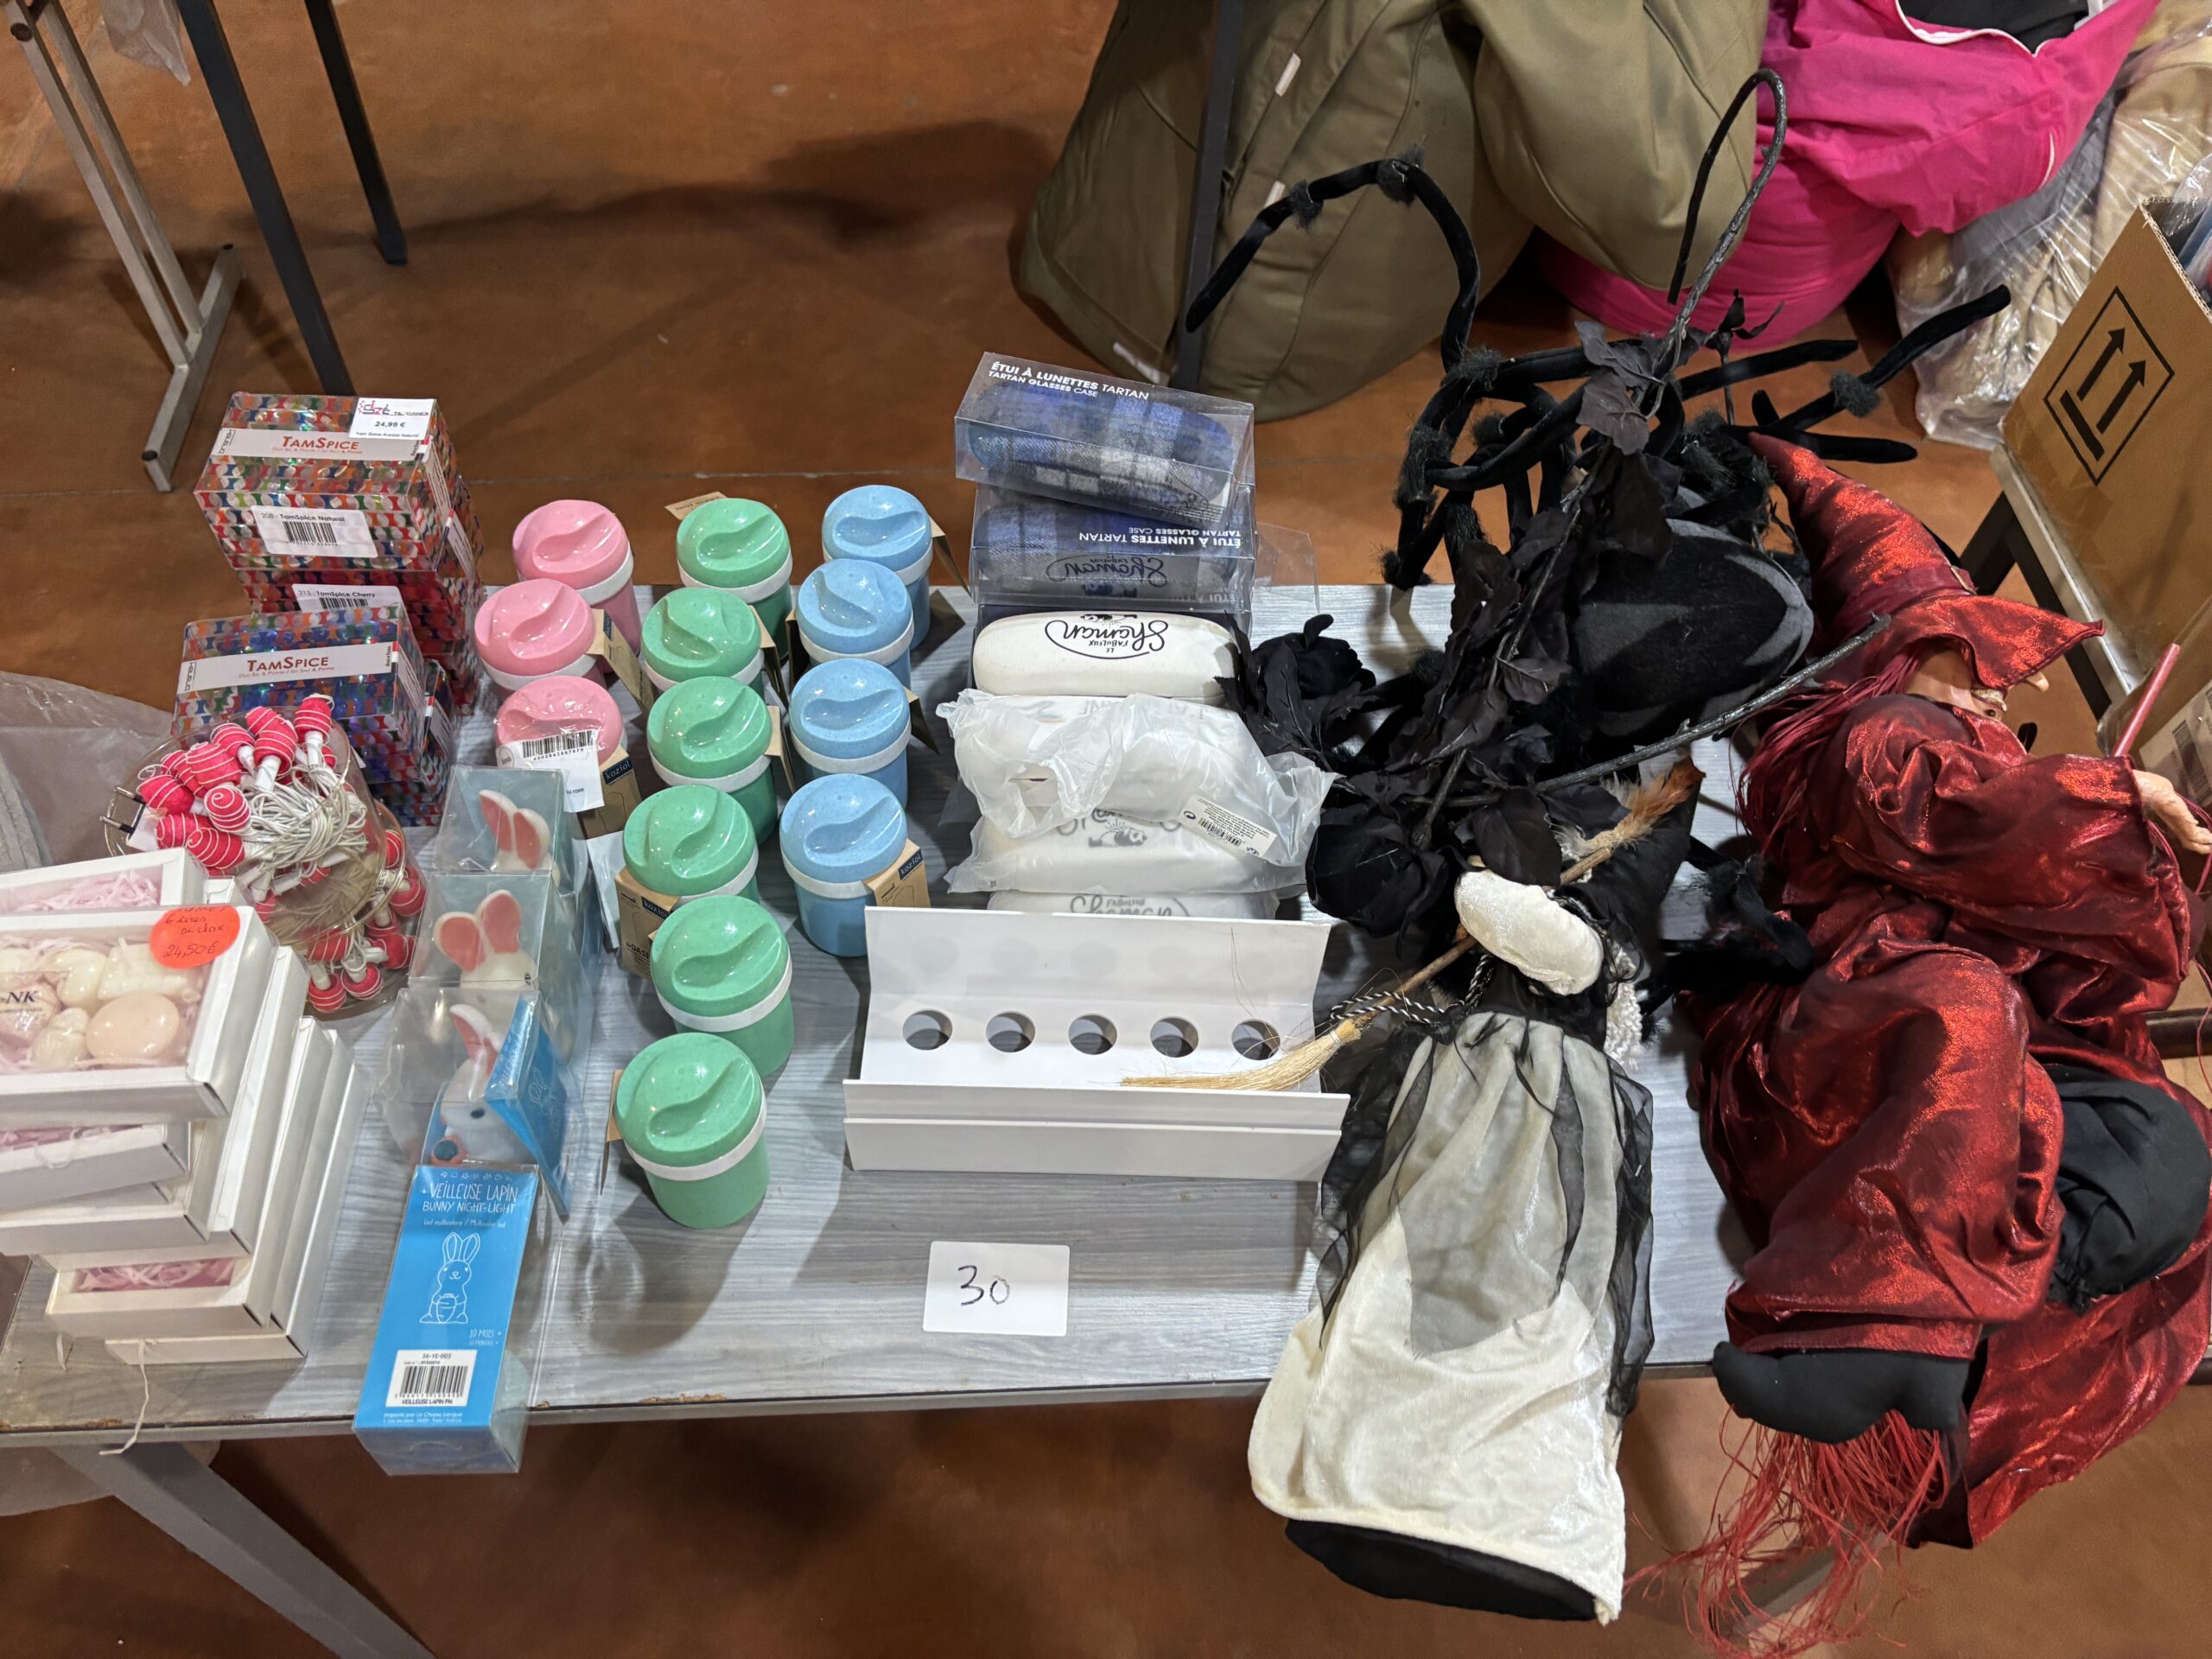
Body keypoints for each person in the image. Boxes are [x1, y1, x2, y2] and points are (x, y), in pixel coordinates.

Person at [1676, 438, 2212, 1647]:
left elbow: (2034, 876)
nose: (1994, 695)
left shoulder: (1954, 741)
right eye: (1970, 661)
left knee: (2164, 1145)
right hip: (1845, 1039)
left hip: (1986, 1041)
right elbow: (1957, 813)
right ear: (1896, 651)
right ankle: (1885, 1325)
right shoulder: (1872, 738)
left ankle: (1970, 1304)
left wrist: (2110, 841)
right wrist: (2111, 802)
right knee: (1962, 1014)